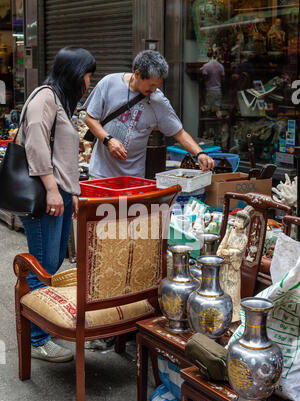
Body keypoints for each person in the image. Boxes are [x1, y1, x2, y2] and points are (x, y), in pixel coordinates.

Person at [18, 47, 96, 362]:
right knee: (42, 265)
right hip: (42, 195)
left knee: (50, 265)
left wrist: (72, 192)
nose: (90, 82)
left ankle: (42, 331)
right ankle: (36, 339)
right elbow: (35, 139)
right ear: (76, 73)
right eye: (88, 74)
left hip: (59, 194)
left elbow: (61, 153)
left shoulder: (58, 100)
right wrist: (52, 187)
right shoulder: (45, 97)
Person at [84, 50, 215, 180]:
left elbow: (179, 133)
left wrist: (200, 153)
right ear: (137, 74)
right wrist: (108, 140)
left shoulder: (158, 100)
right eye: (151, 85)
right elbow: (90, 118)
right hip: (100, 174)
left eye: (157, 85)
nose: (154, 90)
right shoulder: (109, 83)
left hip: (134, 178)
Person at [216, 208, 250, 325]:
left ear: (244, 225)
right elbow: (223, 243)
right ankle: (218, 314)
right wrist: (220, 251)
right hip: (224, 266)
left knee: (232, 292)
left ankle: (232, 319)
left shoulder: (244, 238)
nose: (236, 223)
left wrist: (229, 252)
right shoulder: (229, 231)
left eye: (240, 222)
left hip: (232, 268)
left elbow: (240, 251)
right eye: (236, 220)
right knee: (221, 288)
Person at [200, 51, 225, 119]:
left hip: (210, 91)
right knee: (217, 109)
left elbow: (205, 77)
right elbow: (223, 79)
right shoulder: (220, 66)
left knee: (208, 110)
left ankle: (208, 126)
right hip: (218, 90)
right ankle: (219, 125)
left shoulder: (206, 66)